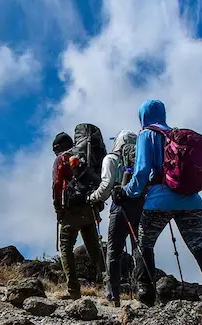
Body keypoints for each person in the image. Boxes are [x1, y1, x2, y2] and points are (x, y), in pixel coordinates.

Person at [117, 99, 202, 313]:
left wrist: (125, 192)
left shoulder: (146, 134)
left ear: (143, 115)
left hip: (159, 200)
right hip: (192, 200)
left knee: (144, 244)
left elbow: (142, 173)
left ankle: (146, 295)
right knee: (198, 245)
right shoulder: (178, 135)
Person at [52, 131, 105, 299]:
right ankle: (110, 287)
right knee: (94, 248)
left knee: (66, 246)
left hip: (71, 209)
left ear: (59, 147)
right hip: (90, 206)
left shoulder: (61, 159)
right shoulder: (85, 157)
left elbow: (57, 184)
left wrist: (58, 208)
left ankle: (73, 290)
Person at [89, 130, 139, 306]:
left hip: (119, 207)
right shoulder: (139, 157)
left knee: (114, 251)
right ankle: (144, 292)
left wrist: (91, 197)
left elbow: (106, 186)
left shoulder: (110, 159)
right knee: (139, 249)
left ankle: (112, 294)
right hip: (140, 206)